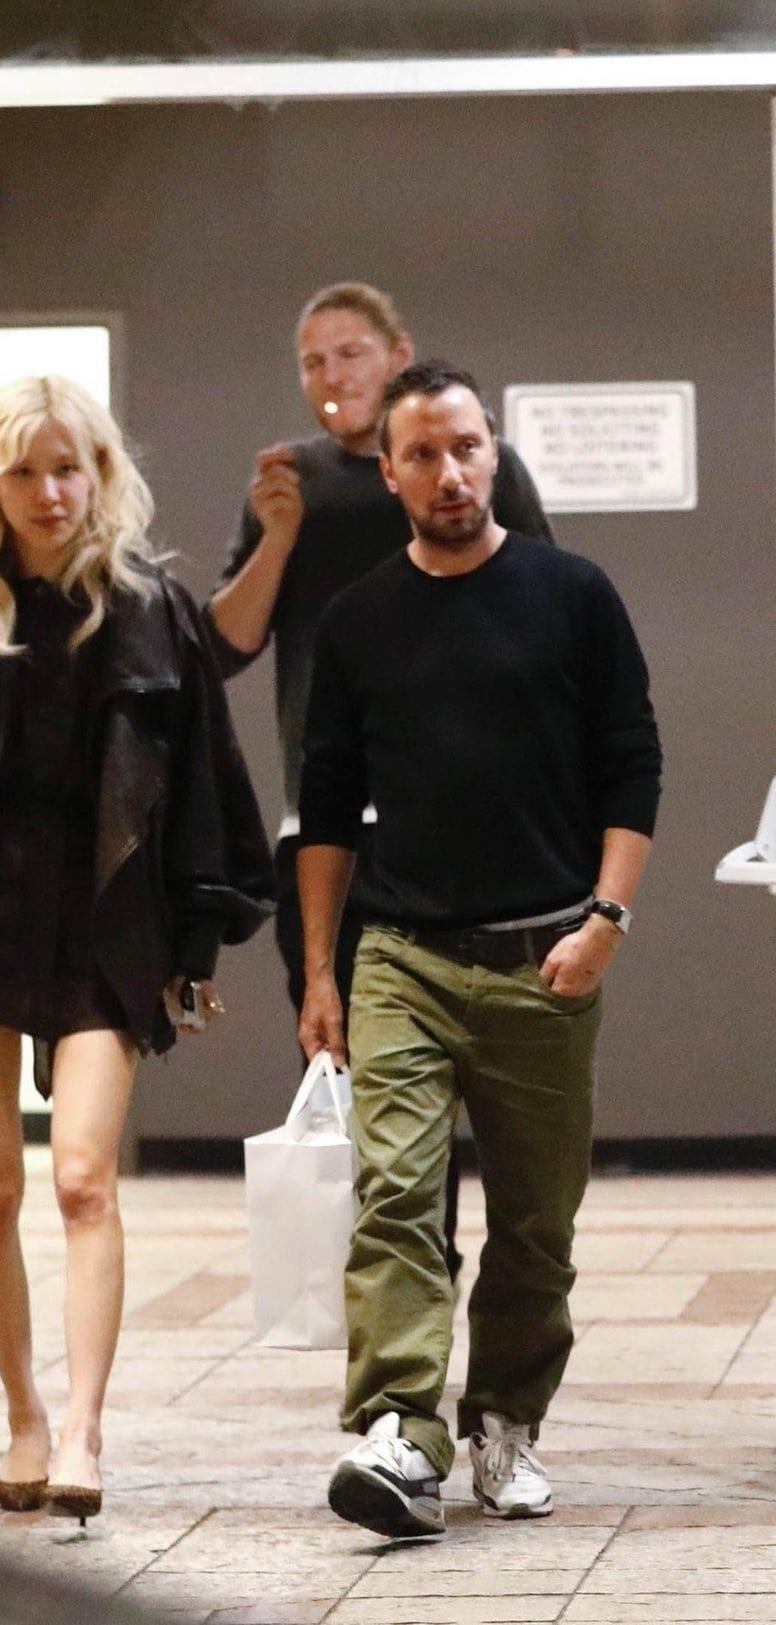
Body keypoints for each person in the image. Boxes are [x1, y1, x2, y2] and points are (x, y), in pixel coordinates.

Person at [0, 376, 274, 1523]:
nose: (49, 491)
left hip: (104, 933)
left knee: (83, 1177)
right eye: (23, 470)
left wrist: (197, 936)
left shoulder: (149, 605)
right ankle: (23, 1412)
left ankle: (82, 1428)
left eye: (68, 466)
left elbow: (207, 783)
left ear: (101, 472)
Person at [298, 360, 661, 1539]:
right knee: (396, 1192)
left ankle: (506, 1419)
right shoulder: (358, 619)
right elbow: (323, 807)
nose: (448, 472)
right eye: (422, 454)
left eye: (465, 447)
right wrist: (320, 971)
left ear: (493, 450)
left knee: (535, 1220)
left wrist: (605, 921)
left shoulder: (572, 593)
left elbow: (633, 764)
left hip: (546, 954)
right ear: (390, 471)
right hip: (401, 953)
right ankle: (402, 1429)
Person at [207, 283, 552, 1281]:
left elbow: (543, 608)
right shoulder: (290, 480)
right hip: (322, 824)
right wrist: (278, 533)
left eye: (350, 353)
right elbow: (222, 645)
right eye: (312, 361)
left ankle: (449, 1268)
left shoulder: (469, 471)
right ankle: (397, 1277)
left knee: (467, 1067)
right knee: (350, 1058)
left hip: (458, 819)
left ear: (398, 355)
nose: (331, 376)